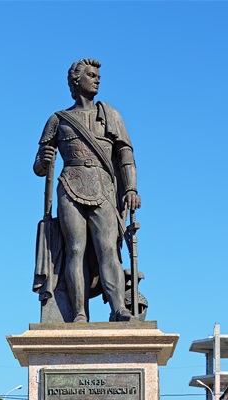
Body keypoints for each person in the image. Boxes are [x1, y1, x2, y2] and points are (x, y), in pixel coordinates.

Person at [33, 58, 140, 322]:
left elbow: (125, 155)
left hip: (103, 188)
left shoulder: (111, 116)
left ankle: (119, 308)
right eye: (91, 75)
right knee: (75, 249)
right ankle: (79, 312)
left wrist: (131, 188)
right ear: (76, 80)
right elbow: (38, 166)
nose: (97, 79)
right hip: (70, 186)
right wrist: (44, 159)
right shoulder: (58, 120)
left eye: (98, 76)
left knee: (108, 249)